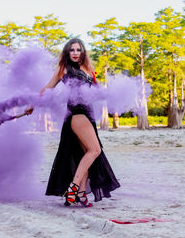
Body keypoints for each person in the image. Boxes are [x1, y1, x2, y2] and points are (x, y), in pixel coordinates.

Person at [27, 38, 120, 207]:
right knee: (95, 150)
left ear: (83, 52)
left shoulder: (88, 69)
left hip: (88, 113)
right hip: (76, 113)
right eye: (72, 50)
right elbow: (48, 88)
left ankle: (81, 194)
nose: (75, 53)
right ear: (67, 53)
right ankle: (74, 187)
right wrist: (32, 105)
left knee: (84, 153)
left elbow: (97, 91)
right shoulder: (63, 69)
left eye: (78, 50)